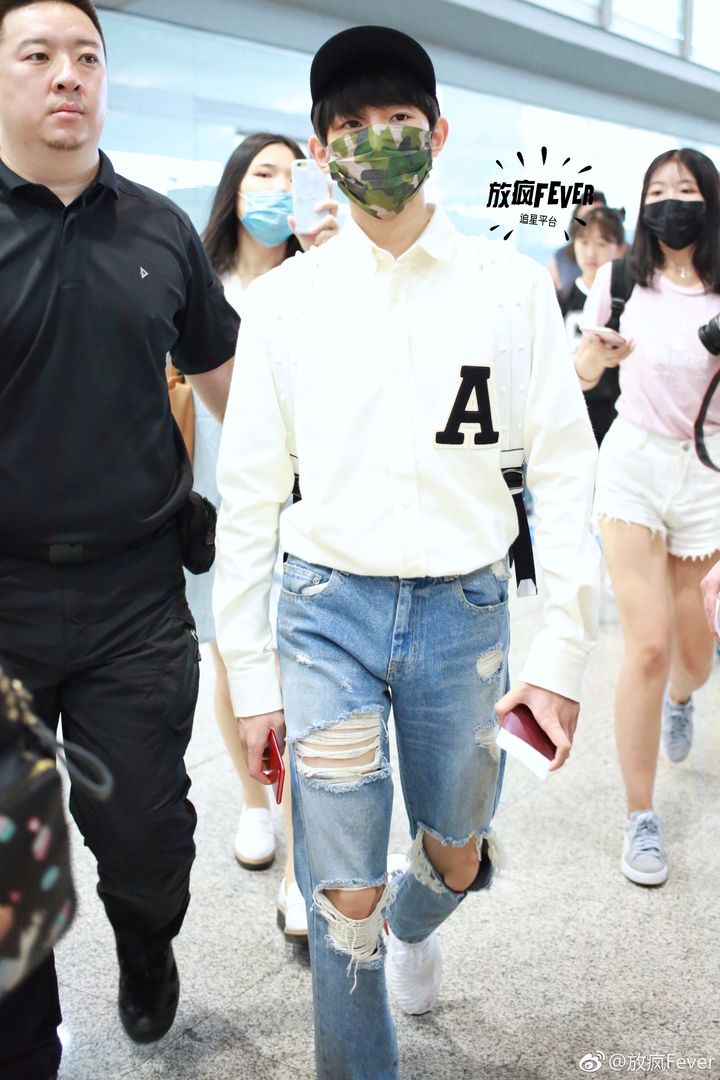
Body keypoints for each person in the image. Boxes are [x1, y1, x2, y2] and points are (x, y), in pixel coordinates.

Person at [214, 24, 600, 1079]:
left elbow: (567, 474)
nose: (376, 140)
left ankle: (420, 916)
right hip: (325, 612)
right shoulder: (285, 303)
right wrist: (251, 676)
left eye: (398, 119)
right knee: (341, 898)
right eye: (351, 125)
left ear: (438, 132)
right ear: (320, 149)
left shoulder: (508, 289)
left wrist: (563, 653)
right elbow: (249, 497)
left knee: (456, 849)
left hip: (465, 617)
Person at [0, 1, 239, 1076]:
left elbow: (234, 387)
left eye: (87, 56)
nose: (68, 75)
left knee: (146, 839)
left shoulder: (159, 228)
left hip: (134, 596)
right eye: (38, 55)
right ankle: (28, 1044)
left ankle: (147, 944)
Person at [192, 132, 338, 940]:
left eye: (293, 173)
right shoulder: (202, 284)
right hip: (220, 497)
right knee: (232, 653)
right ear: (234, 187)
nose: (279, 187)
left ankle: (300, 865)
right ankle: (255, 801)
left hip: (308, 499)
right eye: (263, 173)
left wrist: (333, 252)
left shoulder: (321, 278)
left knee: (301, 672)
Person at [575, 147, 720, 887]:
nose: (671, 201)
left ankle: (683, 699)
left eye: (685, 189)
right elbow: (580, 373)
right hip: (632, 464)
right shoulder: (620, 280)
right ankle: (640, 817)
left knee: (694, 655)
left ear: (709, 202)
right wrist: (598, 355)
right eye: (658, 189)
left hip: (707, 476)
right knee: (650, 646)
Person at [557, 205, 625, 444]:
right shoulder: (560, 299)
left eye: (601, 244)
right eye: (584, 242)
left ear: (620, 248)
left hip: (615, 415)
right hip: (569, 410)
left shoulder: (628, 300)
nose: (591, 253)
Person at [548, 189, 607, 291]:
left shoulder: (619, 255)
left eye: (596, 216)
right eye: (586, 217)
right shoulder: (560, 257)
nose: (591, 223)